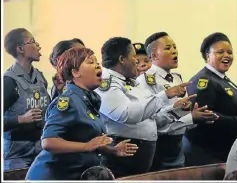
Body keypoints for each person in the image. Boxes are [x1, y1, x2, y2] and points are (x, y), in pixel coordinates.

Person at [95, 37, 206, 178]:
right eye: (134, 56)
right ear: (122, 59)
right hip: (122, 157)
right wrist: (164, 95)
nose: (137, 60)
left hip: (141, 158)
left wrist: (176, 111)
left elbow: (151, 118)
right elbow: (126, 114)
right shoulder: (108, 83)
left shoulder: (131, 82)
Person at [25, 47, 138, 180]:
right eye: (90, 62)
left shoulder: (90, 100)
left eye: (97, 62)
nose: (97, 65)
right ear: (76, 72)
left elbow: (87, 140)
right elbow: (48, 142)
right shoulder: (67, 101)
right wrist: (87, 146)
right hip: (51, 176)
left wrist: (113, 150)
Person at [137, 31, 218, 171]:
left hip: (178, 147)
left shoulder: (176, 78)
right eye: (168, 48)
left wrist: (197, 117)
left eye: (174, 47)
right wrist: (187, 117)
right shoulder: (145, 80)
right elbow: (151, 122)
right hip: (158, 147)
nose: (174, 51)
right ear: (154, 56)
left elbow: (180, 119)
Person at [185, 32, 237, 165]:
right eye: (220, 52)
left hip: (224, 152)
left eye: (229, 52)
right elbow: (206, 117)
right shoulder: (204, 80)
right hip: (208, 155)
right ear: (208, 55)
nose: (226, 56)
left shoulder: (222, 79)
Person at [3, 28, 51, 171]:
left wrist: (59, 90)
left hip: (41, 148)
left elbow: (48, 110)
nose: (38, 46)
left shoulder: (40, 78)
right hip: (17, 154)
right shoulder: (8, 82)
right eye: (33, 42)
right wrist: (21, 119)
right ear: (20, 49)